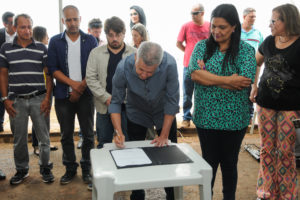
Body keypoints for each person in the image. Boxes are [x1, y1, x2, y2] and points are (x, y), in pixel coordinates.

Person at [188, 4, 256, 200]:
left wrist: (208, 77)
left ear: (234, 27)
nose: (216, 31)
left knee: (229, 162)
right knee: (208, 163)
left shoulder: (245, 50)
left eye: (222, 27)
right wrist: (228, 80)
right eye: (213, 26)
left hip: (234, 120)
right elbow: (194, 75)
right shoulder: (202, 47)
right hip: (206, 118)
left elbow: (243, 82)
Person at [109, 41, 179, 200]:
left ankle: (171, 194)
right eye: (140, 69)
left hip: (164, 114)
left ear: (159, 64)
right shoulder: (123, 67)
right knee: (134, 157)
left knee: (169, 158)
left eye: (150, 72)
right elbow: (115, 102)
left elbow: (172, 101)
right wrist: (118, 132)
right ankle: (137, 193)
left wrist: (164, 135)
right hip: (137, 114)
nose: (143, 75)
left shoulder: (170, 64)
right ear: (135, 57)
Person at [249, 4, 300, 200]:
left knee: (286, 151)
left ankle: (287, 195)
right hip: (265, 104)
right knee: (267, 149)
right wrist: (254, 86)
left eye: (273, 20)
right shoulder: (269, 41)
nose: (269, 24)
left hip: (291, 107)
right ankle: (266, 193)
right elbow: (256, 62)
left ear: (287, 21)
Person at [0, 14, 55, 184]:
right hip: (16, 101)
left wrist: (47, 98)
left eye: (29, 27)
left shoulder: (41, 48)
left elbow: (48, 75)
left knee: (44, 138)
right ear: (15, 28)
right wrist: (5, 99)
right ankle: (22, 170)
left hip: (39, 99)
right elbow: (2, 75)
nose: (27, 30)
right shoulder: (6, 48)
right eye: (23, 27)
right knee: (19, 139)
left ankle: (45, 168)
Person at [47, 5, 97, 185]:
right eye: (68, 20)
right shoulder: (55, 41)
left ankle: (86, 169)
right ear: (63, 21)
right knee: (66, 135)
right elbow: (53, 69)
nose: (72, 23)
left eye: (75, 19)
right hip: (62, 96)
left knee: (89, 135)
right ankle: (70, 169)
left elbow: (93, 68)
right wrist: (74, 86)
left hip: (86, 95)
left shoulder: (90, 40)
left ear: (80, 19)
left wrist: (80, 88)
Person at [86, 16, 135, 149]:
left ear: (124, 33)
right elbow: (90, 78)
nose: (114, 39)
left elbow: (138, 79)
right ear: (105, 34)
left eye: (118, 35)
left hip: (127, 108)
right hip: (104, 107)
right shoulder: (95, 53)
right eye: (111, 35)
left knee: (128, 143)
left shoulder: (134, 54)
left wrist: (122, 98)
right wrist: (106, 98)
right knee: (104, 144)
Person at [176, 4, 210, 128]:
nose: (193, 16)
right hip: (188, 65)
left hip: (205, 67)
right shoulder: (186, 26)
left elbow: (214, 44)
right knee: (187, 93)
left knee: (203, 92)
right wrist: (188, 52)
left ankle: (202, 117)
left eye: (195, 13)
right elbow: (178, 43)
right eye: (191, 13)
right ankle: (186, 118)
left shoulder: (209, 26)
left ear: (202, 13)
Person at [31, 26, 58, 156]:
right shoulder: (39, 50)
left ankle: (44, 143)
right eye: (46, 35)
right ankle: (37, 145)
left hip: (46, 87)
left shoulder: (43, 50)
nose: (48, 37)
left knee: (44, 116)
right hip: (40, 88)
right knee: (38, 117)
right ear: (42, 36)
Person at [0, 11, 15, 132]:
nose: (14, 25)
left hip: (15, 74)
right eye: (11, 23)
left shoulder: (21, 34)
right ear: (5, 24)